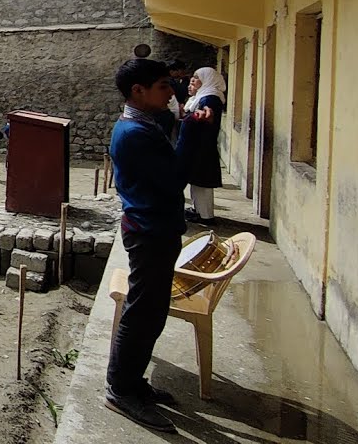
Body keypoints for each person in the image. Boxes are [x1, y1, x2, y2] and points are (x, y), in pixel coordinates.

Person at [104, 57, 197, 434]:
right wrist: (191, 132)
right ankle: (121, 388)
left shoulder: (143, 123)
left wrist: (183, 123)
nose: (171, 92)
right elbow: (174, 179)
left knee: (153, 310)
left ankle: (133, 380)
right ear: (138, 92)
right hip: (148, 230)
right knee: (143, 312)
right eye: (163, 86)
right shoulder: (134, 133)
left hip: (154, 226)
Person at [178, 67, 227, 225]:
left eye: (197, 77)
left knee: (202, 182)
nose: (193, 80)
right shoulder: (204, 96)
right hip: (199, 144)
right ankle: (199, 211)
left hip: (202, 145)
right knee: (197, 180)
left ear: (207, 79)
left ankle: (206, 216)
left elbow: (204, 120)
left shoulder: (210, 98)